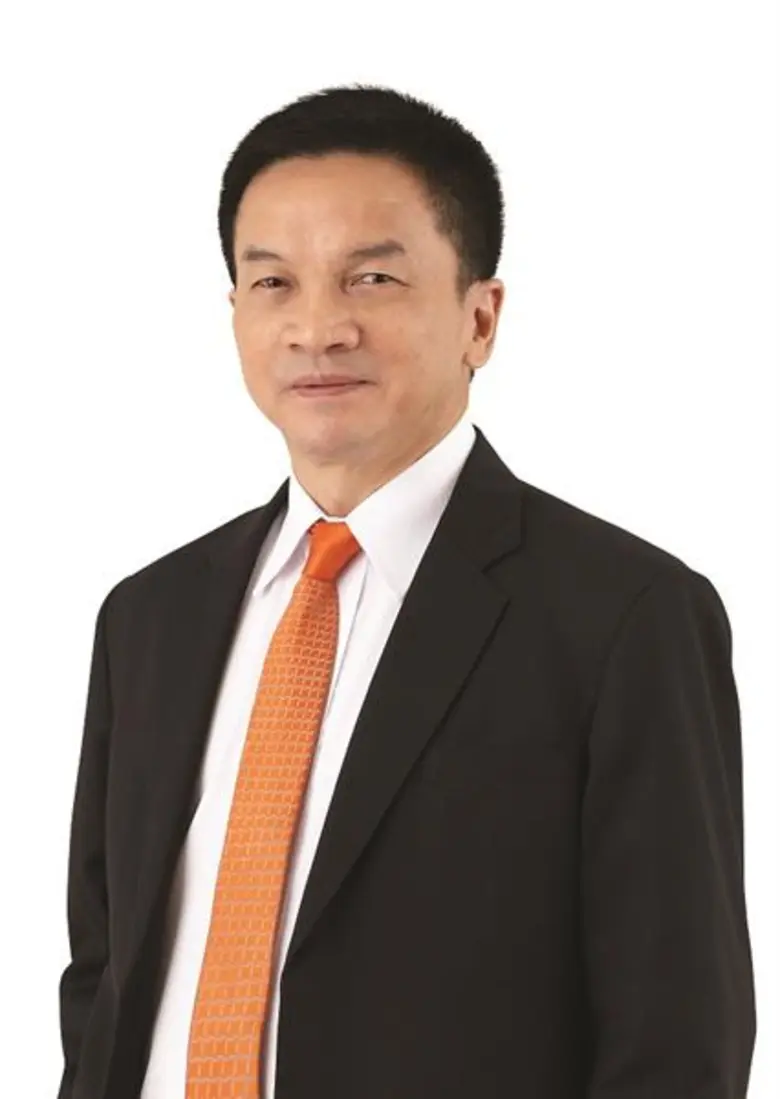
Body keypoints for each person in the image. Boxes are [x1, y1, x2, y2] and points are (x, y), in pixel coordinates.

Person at [56, 83, 756, 1099]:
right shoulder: (149, 617)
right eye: (273, 283)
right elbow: (104, 977)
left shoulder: (623, 616)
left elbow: (676, 1037)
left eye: (372, 278)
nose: (318, 327)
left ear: (481, 316)